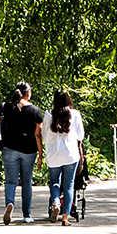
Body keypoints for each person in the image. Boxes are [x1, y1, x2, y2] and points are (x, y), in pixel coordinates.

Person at [0, 82, 44, 224]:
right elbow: (38, 133)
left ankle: (10, 204)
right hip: (29, 150)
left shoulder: (4, 107)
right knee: (27, 182)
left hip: (9, 148)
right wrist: (41, 153)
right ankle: (27, 215)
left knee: (11, 181)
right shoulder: (35, 110)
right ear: (28, 93)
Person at [43, 90, 86, 225]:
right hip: (70, 154)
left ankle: (56, 203)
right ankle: (65, 217)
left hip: (53, 155)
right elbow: (81, 135)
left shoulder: (48, 114)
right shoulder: (75, 114)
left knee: (54, 182)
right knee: (69, 186)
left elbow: (44, 134)